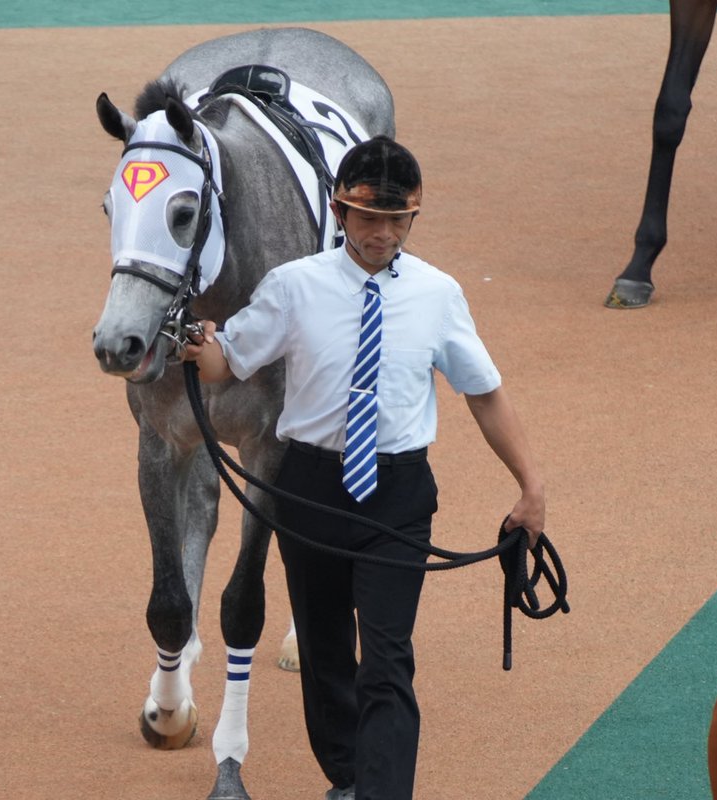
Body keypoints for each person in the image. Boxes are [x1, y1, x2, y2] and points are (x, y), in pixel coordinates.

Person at [182, 135, 546, 800]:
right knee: (325, 657)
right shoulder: (293, 287)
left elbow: (484, 392)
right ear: (339, 212)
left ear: (412, 218)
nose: (382, 233)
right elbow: (227, 361)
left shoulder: (439, 293)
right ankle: (348, 776)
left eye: (397, 220)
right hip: (310, 490)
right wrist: (194, 340)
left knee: (386, 661)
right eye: (368, 217)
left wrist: (531, 487)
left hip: (397, 495)